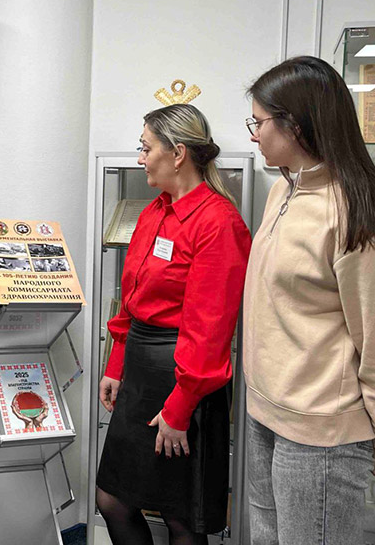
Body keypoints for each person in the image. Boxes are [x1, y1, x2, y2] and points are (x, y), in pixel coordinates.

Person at [96, 104, 251, 545]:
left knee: (181, 515)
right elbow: (132, 302)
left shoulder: (218, 222)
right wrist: (116, 366)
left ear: (178, 153)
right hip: (140, 374)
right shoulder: (155, 212)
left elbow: (211, 330)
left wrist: (180, 408)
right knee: (113, 500)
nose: (140, 158)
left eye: (146, 148)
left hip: (185, 380)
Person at [243, 56, 375, 545]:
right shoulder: (283, 189)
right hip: (265, 410)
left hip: (320, 431)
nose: (253, 135)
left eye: (259, 123)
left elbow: (373, 335)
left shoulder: (352, 209)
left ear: (295, 125)